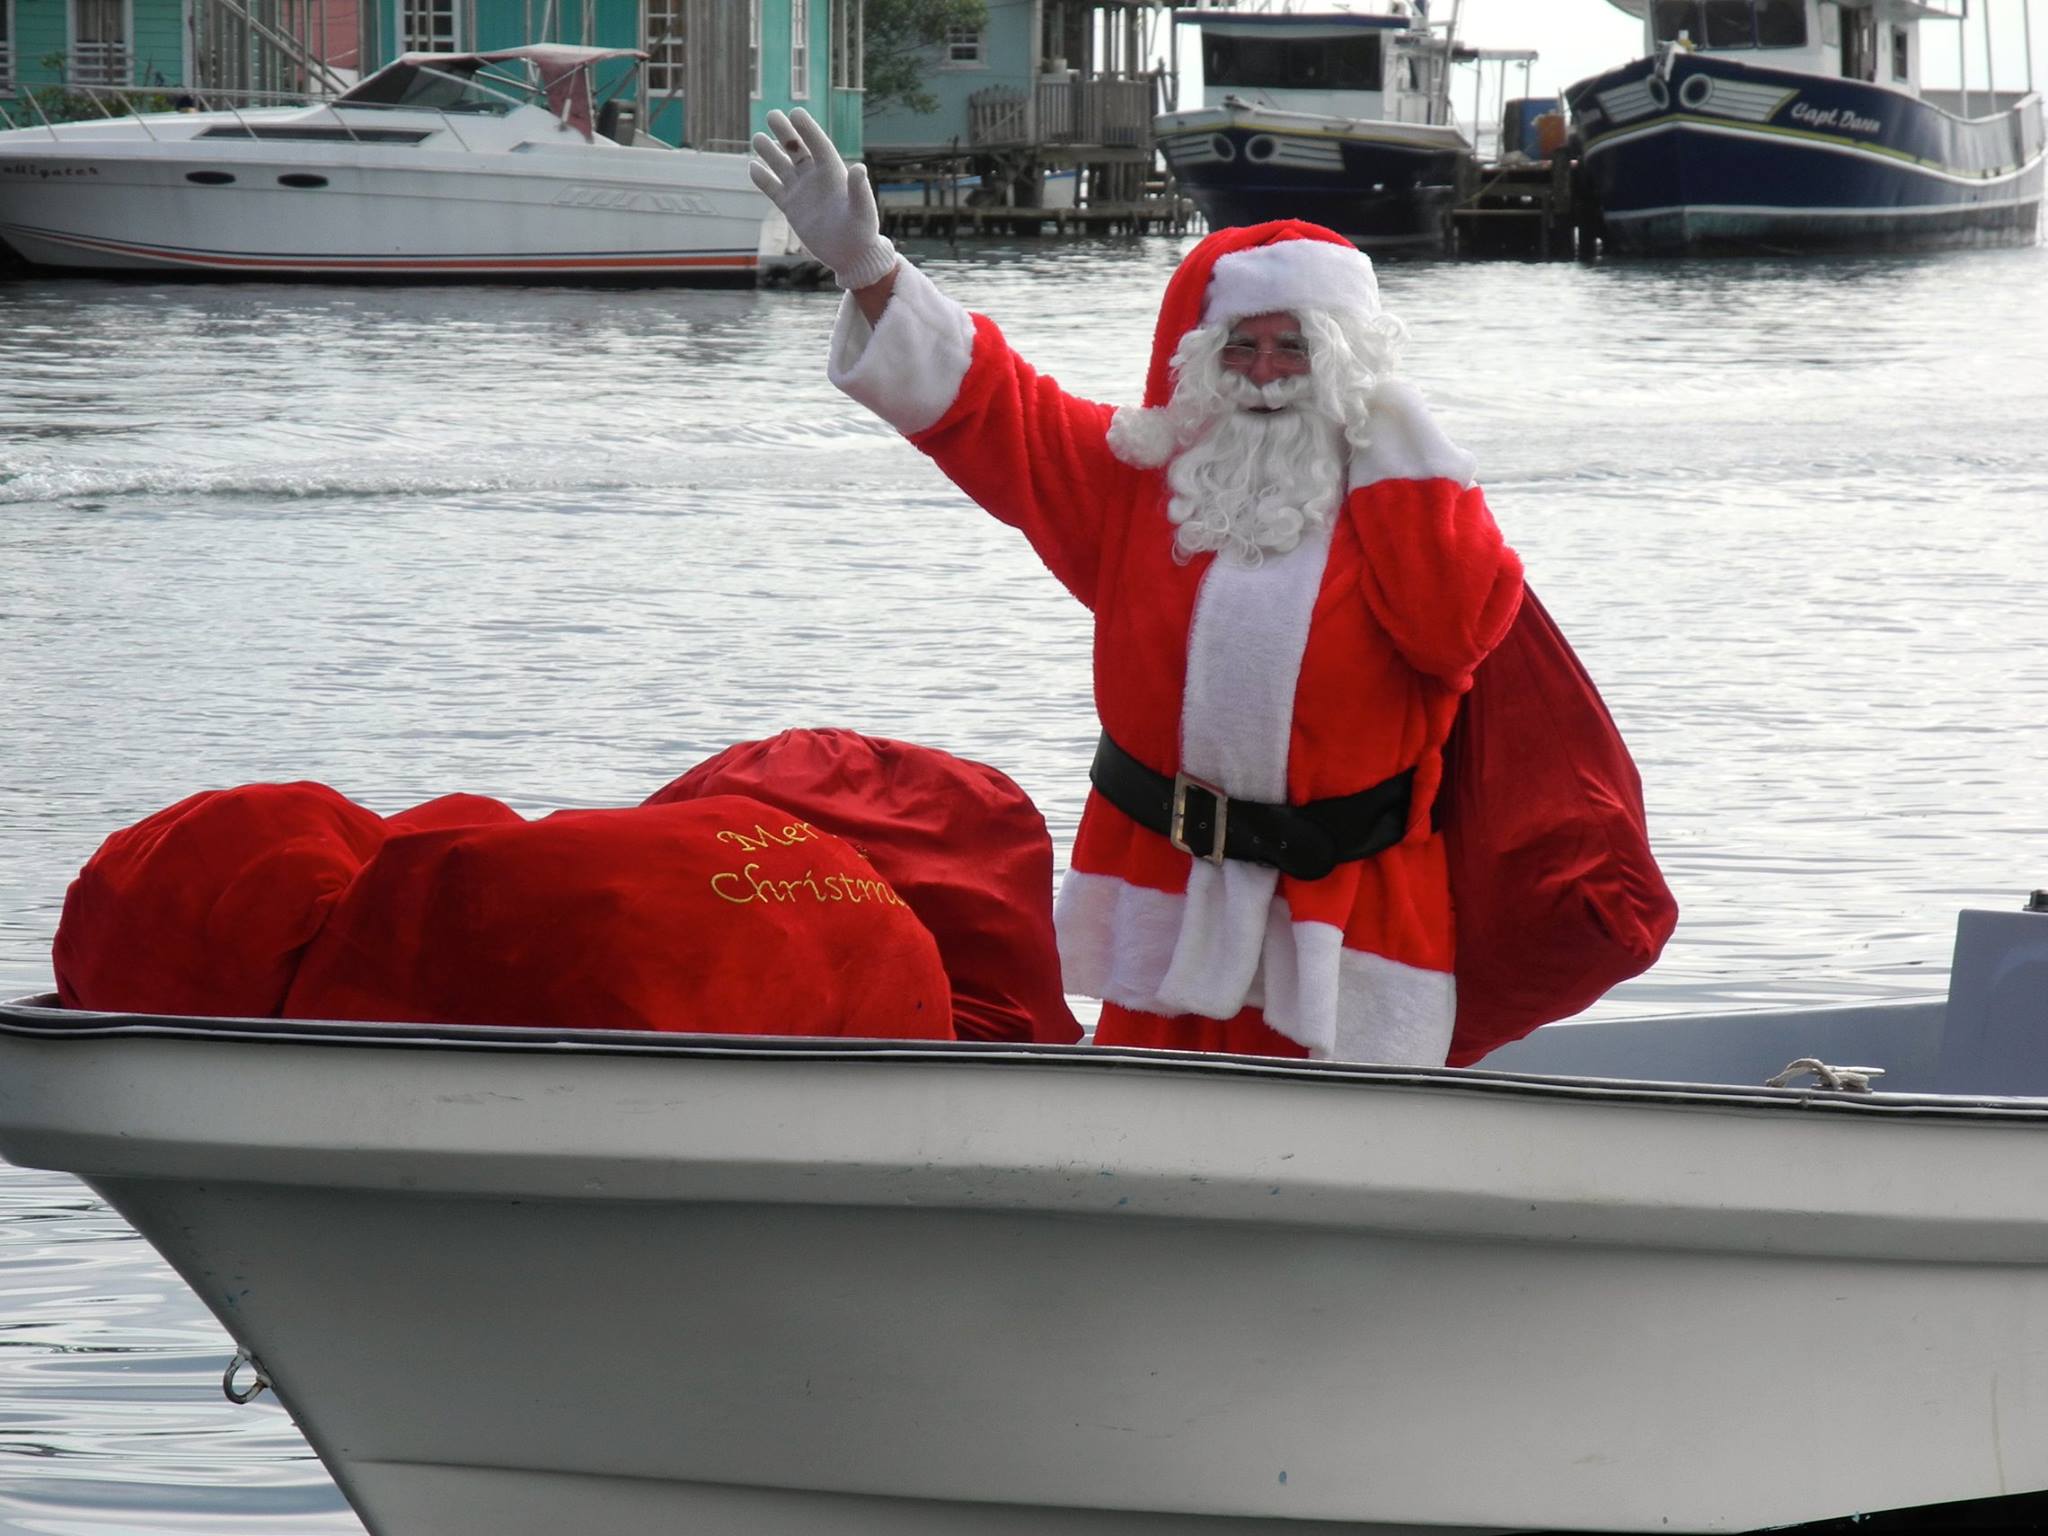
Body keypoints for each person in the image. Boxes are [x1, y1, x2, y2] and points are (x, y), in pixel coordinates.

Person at [749, 109, 1524, 1067]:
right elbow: (994, 402)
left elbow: (1455, 633)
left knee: (1347, 1128)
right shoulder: (1138, 489)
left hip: (1351, 918)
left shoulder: (1409, 509)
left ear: (1345, 365)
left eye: (1295, 350)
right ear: (1201, 361)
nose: (1267, 377)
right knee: (1144, 1110)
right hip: (1163, 896)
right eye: (1240, 349)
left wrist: (1405, 452)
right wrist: (867, 267)